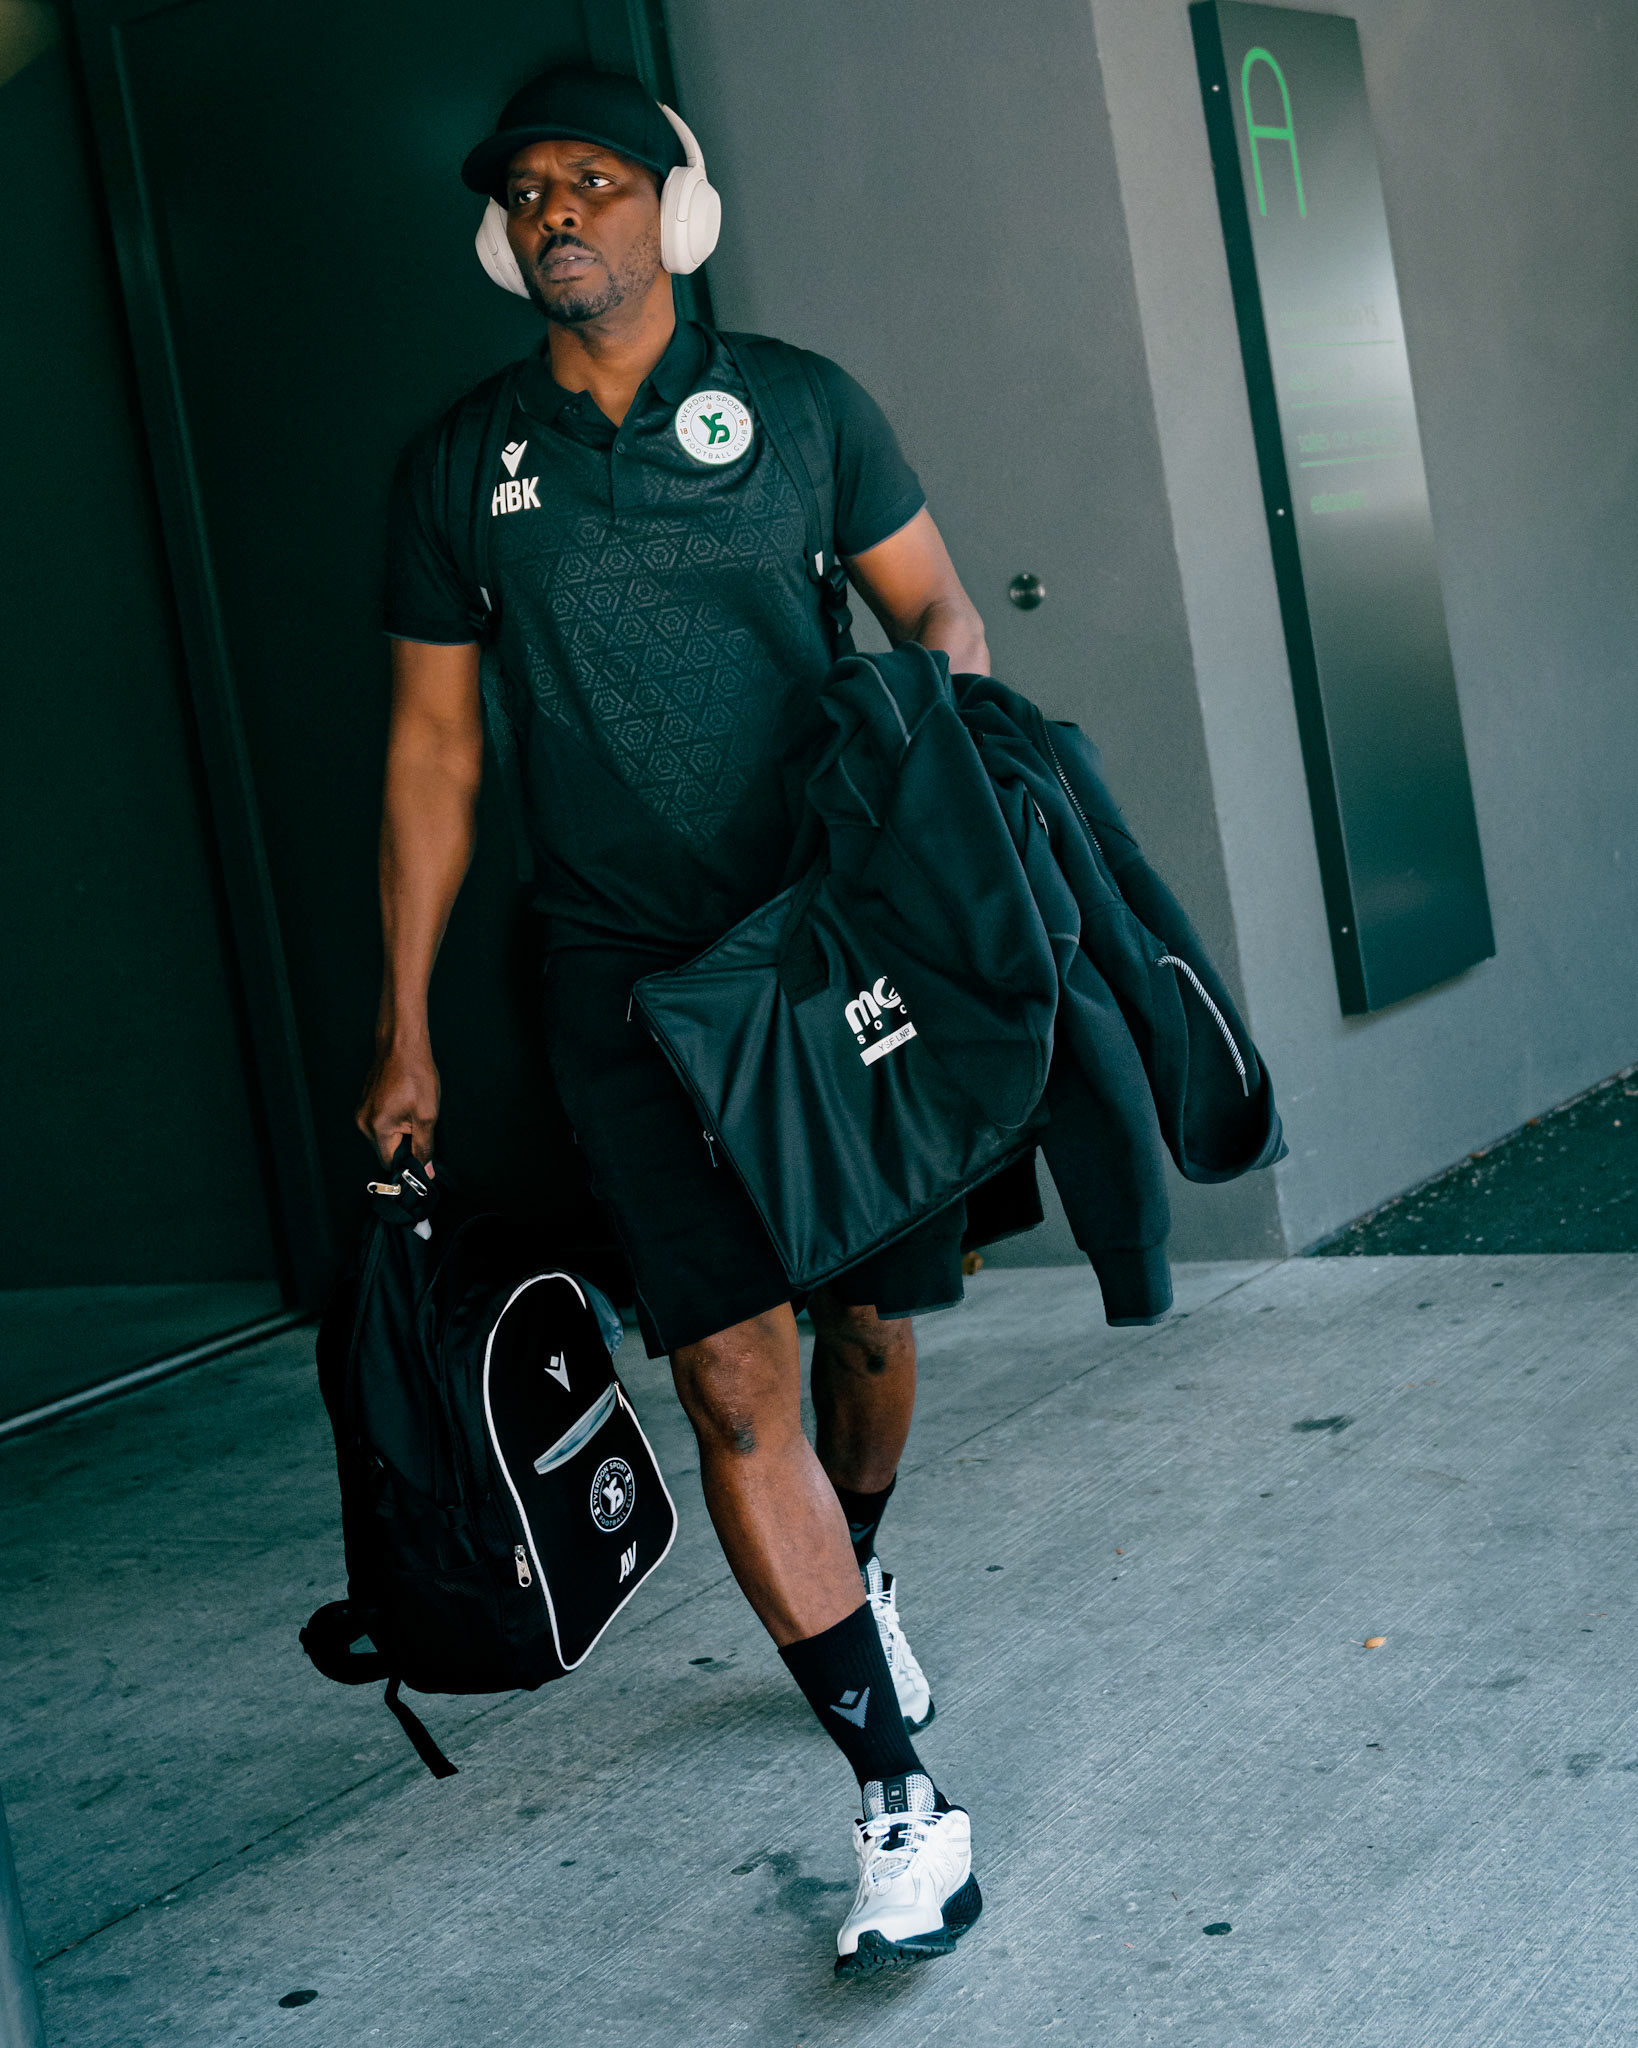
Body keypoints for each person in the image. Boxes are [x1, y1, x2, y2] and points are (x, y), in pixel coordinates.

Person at [358, 66, 988, 1977]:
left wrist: (924, 820)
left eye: (597, 181)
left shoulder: (800, 409)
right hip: (614, 977)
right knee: (729, 1375)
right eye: (529, 192)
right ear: (501, 235)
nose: (560, 212)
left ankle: (855, 1574)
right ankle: (895, 1796)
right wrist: (404, 1028)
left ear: (670, 212)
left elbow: (939, 622)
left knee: (867, 1323)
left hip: (818, 963)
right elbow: (433, 754)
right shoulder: (463, 466)